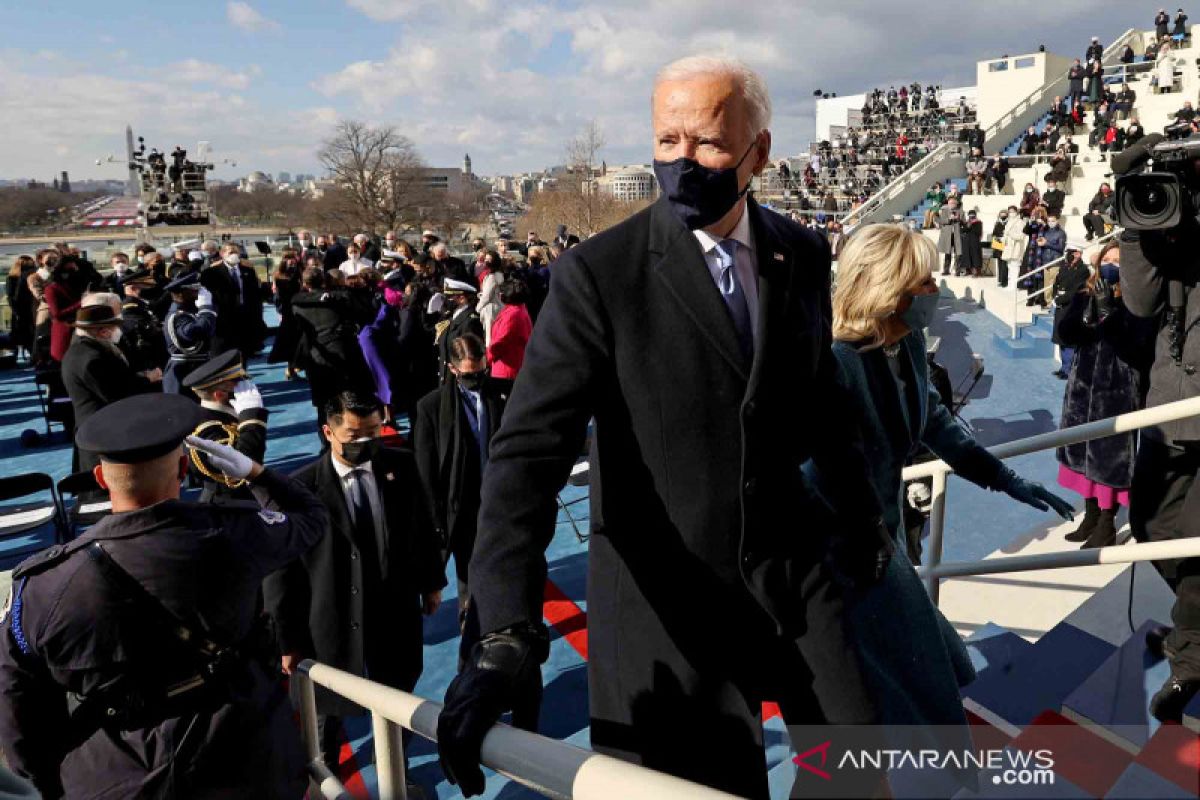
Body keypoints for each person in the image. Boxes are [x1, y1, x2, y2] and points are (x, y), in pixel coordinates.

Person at [436, 55, 895, 800]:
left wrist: (862, 511)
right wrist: (504, 624)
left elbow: (820, 401)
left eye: (708, 144)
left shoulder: (801, 252)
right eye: (667, 140)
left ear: (760, 152)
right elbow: (527, 455)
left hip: (793, 572)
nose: (683, 162)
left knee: (860, 774)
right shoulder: (598, 274)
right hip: (665, 599)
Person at [0, 393, 329, 799]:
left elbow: (16, 703)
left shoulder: (43, 585)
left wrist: (50, 781)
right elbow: (310, 517)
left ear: (101, 480)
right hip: (244, 759)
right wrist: (255, 473)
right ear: (184, 466)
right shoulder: (234, 535)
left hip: (115, 774)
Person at [813, 223, 1072, 730]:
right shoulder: (832, 365)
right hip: (844, 563)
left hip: (887, 547)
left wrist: (1007, 479)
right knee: (880, 698)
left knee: (921, 681)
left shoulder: (907, 346)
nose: (937, 290)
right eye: (925, 281)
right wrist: (869, 544)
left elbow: (935, 424)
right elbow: (815, 482)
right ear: (888, 289)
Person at [263, 391, 444, 777]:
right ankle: (326, 774)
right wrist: (288, 641)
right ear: (328, 432)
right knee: (327, 712)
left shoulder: (401, 466)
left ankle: (393, 765)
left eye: (374, 432)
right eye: (354, 436)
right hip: (328, 619)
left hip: (392, 608)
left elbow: (422, 528)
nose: (366, 443)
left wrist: (431, 582)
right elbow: (282, 574)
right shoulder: (299, 490)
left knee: (396, 693)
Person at [1055, 243, 1155, 549]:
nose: (1110, 266)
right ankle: (1089, 516)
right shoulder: (1085, 296)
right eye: (1106, 260)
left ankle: (1106, 525)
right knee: (1082, 453)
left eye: (1117, 261)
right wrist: (1087, 312)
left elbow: (1136, 349)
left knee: (1108, 460)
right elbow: (1066, 335)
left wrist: (1111, 314)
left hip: (1117, 394)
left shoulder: (1139, 304)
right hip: (1082, 391)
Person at [62, 296, 163, 472]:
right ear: (103, 331)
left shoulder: (87, 349)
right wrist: (147, 379)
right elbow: (117, 394)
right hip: (102, 437)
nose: (119, 330)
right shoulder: (91, 359)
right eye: (115, 326)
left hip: (102, 432)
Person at [291, 266, 375, 432]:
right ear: (324, 281)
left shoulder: (298, 304)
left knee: (324, 405)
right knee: (351, 398)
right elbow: (364, 314)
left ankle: (326, 442)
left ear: (305, 284)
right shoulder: (339, 299)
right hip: (344, 355)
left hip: (317, 358)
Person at [181, 351, 270, 504]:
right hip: (226, 509)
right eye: (239, 385)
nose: (247, 389)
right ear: (219, 395)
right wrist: (252, 418)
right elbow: (242, 467)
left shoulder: (225, 413)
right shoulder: (203, 431)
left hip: (245, 500)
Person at [200, 242, 265, 360]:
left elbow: (255, 297)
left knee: (243, 353)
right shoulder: (212, 273)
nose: (234, 255)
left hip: (244, 319)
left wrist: (257, 318)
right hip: (223, 320)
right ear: (222, 254)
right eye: (231, 252)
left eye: (236, 252)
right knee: (223, 356)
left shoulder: (248, 271)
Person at [162, 273, 218, 398]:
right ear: (182, 293)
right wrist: (206, 308)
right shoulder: (177, 316)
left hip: (197, 369)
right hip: (183, 373)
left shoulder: (190, 310)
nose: (199, 292)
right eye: (194, 289)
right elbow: (198, 332)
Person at [1051, 243, 1091, 378]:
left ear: (1078, 254)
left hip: (1071, 307)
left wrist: (1060, 299)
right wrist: (1055, 295)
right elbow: (1056, 283)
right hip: (1060, 307)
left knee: (1069, 341)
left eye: (1071, 252)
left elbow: (1076, 289)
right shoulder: (1064, 266)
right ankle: (1063, 368)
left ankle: (1069, 370)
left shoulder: (1083, 270)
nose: (1069, 254)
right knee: (1061, 338)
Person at [118, 269, 167, 374]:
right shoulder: (130, 306)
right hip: (146, 357)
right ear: (133, 288)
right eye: (146, 286)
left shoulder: (141, 302)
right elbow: (142, 328)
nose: (150, 289)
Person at [435, 279, 484, 384]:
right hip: (447, 377)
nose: (446, 300)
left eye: (450, 297)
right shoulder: (451, 316)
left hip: (459, 380)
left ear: (462, 298)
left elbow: (468, 354)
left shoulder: (470, 321)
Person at [488, 279, 533, 389]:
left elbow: (500, 343)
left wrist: (487, 358)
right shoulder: (517, 309)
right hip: (512, 364)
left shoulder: (513, 315)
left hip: (506, 369)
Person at [268, 248, 303, 380]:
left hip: (301, 310)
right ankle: (291, 368)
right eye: (288, 258)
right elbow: (278, 297)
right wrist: (281, 311)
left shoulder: (300, 272)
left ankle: (297, 365)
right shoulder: (279, 275)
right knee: (289, 342)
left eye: (293, 257)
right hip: (288, 312)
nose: (291, 260)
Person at [43, 257, 81, 364]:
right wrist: (80, 303)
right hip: (64, 331)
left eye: (74, 269)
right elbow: (57, 314)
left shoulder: (74, 285)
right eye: (69, 270)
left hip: (78, 330)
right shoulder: (51, 288)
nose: (72, 273)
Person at [5, 255, 36, 359]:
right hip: (20, 310)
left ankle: (29, 353)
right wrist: (16, 312)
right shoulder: (12, 278)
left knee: (28, 334)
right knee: (23, 334)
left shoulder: (14, 278)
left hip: (28, 309)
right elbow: (10, 297)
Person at [1000, 206, 1026, 289]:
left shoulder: (1020, 222)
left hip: (1016, 247)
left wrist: (1010, 234)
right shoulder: (1008, 222)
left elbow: (1021, 236)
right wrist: (1003, 239)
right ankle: (1010, 284)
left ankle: (1014, 285)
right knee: (1010, 266)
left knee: (1015, 266)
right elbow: (1005, 234)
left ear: (1016, 212)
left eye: (1013, 211)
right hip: (1009, 246)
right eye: (1010, 212)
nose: (1011, 213)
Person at [936, 196, 963, 275]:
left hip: (957, 234)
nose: (952, 204)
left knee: (958, 253)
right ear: (948, 203)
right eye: (950, 203)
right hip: (947, 235)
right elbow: (940, 221)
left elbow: (964, 222)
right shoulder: (944, 211)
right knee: (947, 252)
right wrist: (949, 219)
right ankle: (946, 270)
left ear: (956, 204)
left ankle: (957, 271)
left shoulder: (960, 211)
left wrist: (958, 219)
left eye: (953, 203)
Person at [959, 210, 984, 277]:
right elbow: (963, 230)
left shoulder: (978, 222)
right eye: (970, 214)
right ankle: (968, 270)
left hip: (974, 241)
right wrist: (967, 226)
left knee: (975, 255)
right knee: (967, 255)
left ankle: (976, 271)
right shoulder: (966, 222)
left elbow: (978, 232)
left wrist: (971, 226)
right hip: (966, 241)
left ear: (975, 215)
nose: (971, 216)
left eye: (972, 214)